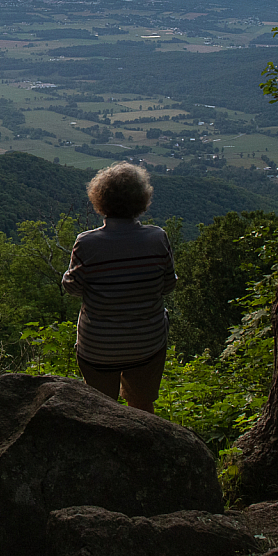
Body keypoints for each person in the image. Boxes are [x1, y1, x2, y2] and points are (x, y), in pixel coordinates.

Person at [61, 161, 176, 414]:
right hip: (147, 343)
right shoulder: (158, 238)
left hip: (99, 348)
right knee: (142, 407)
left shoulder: (86, 243)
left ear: (100, 199)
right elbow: (168, 285)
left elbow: (72, 288)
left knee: (101, 410)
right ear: (142, 199)